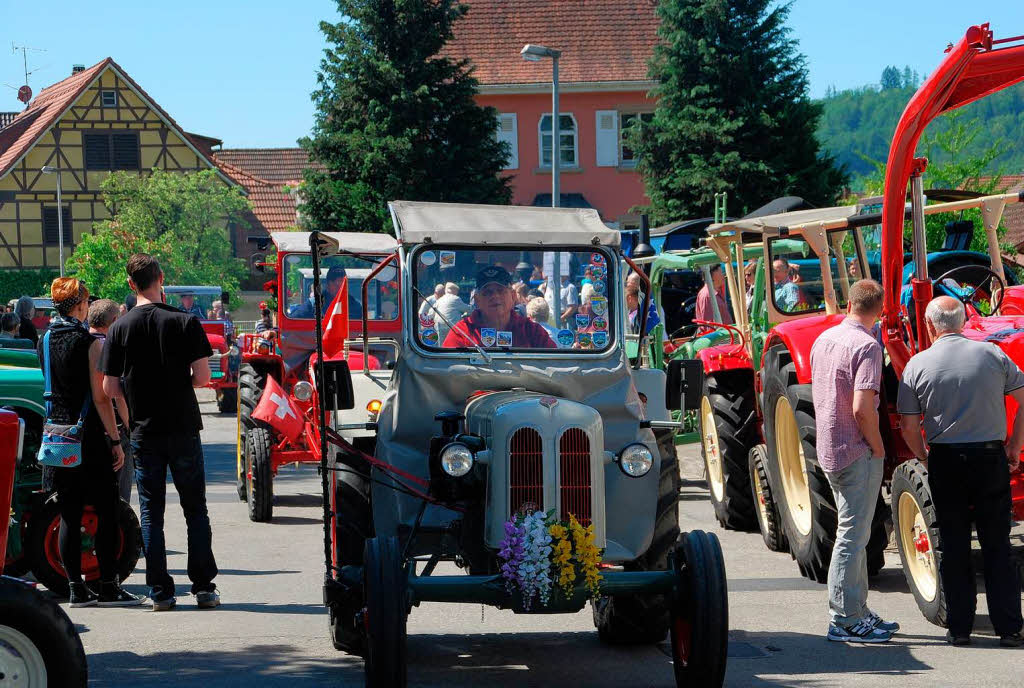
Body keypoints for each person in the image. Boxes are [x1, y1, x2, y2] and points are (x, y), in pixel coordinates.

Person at [898, 295, 1024, 647]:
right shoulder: (993, 355)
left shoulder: (917, 364)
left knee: (953, 546)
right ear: (965, 322)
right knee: (997, 544)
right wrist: (1014, 445)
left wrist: (923, 457)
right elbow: (1023, 399)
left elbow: (909, 425)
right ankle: (1010, 628)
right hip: (989, 458)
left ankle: (960, 628)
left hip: (946, 460)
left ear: (928, 325)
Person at [101, 253, 219, 611]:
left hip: (144, 430)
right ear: (161, 278)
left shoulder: (119, 328)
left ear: (130, 284)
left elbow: (109, 388)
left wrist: (135, 390)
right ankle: (202, 586)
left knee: (152, 512)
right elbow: (203, 378)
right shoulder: (185, 321)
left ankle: (161, 591)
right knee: (195, 508)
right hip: (182, 426)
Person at [40, 278, 142, 607]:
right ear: (82, 305)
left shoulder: (44, 339)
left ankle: (75, 589)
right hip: (89, 437)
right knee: (107, 510)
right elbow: (101, 398)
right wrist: (115, 439)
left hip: (58, 433)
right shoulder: (89, 342)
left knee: (69, 513)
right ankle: (108, 586)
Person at [810, 279, 896, 643]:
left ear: (849, 303)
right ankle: (844, 618)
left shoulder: (824, 339)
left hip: (830, 447)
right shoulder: (867, 346)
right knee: (852, 536)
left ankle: (857, 609)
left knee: (856, 535)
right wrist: (878, 447)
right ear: (881, 309)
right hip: (856, 449)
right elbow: (863, 407)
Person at [443, 266, 556, 349]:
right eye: (487, 292)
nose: (495, 296)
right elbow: (447, 371)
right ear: (477, 300)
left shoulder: (531, 330)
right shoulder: (462, 332)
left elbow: (553, 366)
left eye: (500, 290)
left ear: (512, 296)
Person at [88, 299, 134, 503]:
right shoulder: (113, 349)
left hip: (85, 428)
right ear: (114, 321)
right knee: (119, 495)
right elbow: (117, 396)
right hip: (113, 429)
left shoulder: (81, 343)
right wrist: (128, 426)